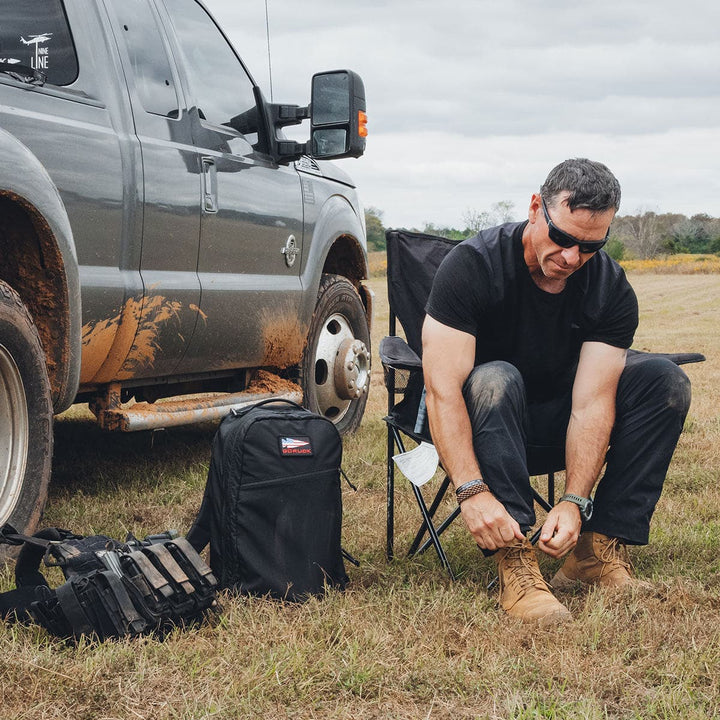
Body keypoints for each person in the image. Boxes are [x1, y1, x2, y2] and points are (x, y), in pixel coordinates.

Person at [422, 158, 691, 626]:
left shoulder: (609, 287)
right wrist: (471, 491)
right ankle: (515, 561)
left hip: (555, 417)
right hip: (483, 414)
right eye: (562, 238)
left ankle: (592, 550)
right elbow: (442, 391)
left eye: (590, 246)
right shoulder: (472, 266)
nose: (571, 257)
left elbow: (591, 404)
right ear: (534, 208)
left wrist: (574, 500)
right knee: (494, 377)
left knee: (664, 380)